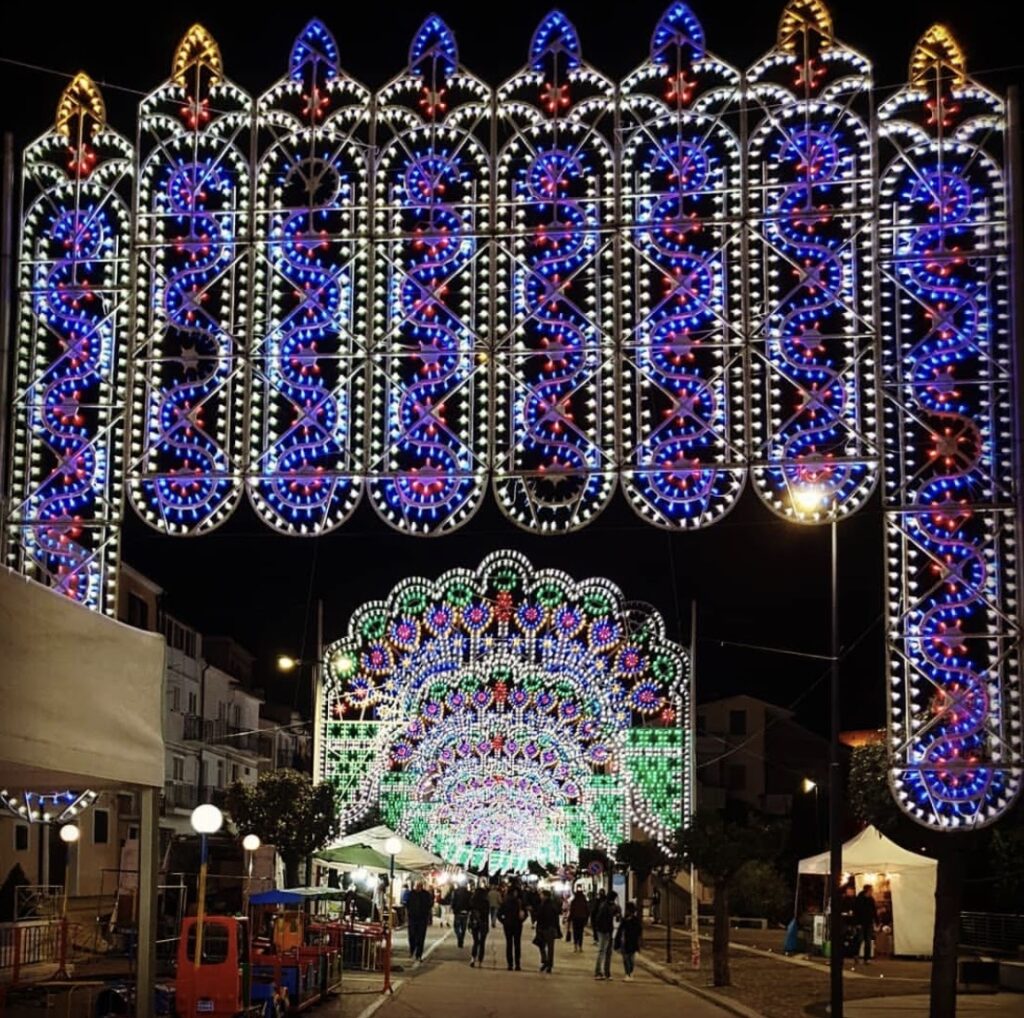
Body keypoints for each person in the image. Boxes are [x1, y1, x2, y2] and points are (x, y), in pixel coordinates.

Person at [497, 883, 525, 970]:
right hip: (517, 925)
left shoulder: (505, 901)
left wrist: (504, 921)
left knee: (509, 944)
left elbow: (499, 914)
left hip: (508, 925)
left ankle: (510, 964)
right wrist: (521, 920)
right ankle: (517, 964)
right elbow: (525, 914)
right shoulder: (519, 902)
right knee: (517, 944)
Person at [593, 890, 620, 979]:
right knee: (603, 951)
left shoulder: (607, 906)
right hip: (605, 931)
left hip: (608, 931)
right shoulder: (606, 906)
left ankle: (606, 972)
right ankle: (599, 972)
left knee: (607, 952)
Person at [534, 888, 561, 973]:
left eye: (541, 895)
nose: (540, 896)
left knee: (542, 945)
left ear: (545, 896)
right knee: (549, 947)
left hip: (545, 928)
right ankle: (549, 964)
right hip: (550, 928)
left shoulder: (544, 905)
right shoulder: (552, 905)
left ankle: (546, 961)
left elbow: (539, 916)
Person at [614, 901, 642, 981]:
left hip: (631, 942)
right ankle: (628, 973)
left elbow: (639, 931)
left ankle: (630, 973)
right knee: (626, 959)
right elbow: (620, 931)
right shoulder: (625, 920)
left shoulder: (635, 921)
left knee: (631, 959)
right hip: (626, 942)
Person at [854, 884, 877, 964]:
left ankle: (866, 958)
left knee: (868, 940)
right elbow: (856, 912)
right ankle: (856, 954)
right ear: (867, 891)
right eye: (871, 890)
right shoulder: (859, 899)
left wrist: (875, 921)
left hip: (868, 922)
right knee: (860, 939)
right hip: (861, 922)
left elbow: (874, 911)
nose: (872, 892)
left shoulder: (871, 900)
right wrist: (857, 923)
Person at [469, 884, 490, 967]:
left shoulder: (472, 901)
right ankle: (480, 961)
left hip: (475, 923)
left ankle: (473, 958)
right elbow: (487, 913)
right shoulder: (486, 902)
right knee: (482, 943)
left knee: (475, 941)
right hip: (484, 923)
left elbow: (471, 912)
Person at [568, 886, 590, 952]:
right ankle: (580, 946)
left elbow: (572, 911)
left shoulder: (574, 901)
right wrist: (586, 919)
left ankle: (575, 946)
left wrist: (569, 919)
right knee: (580, 933)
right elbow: (587, 911)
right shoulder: (584, 901)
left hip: (575, 919)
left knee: (575, 932)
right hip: (582, 919)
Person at [451, 880, 471, 948]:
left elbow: (453, 901)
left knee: (456, 927)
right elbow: (470, 902)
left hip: (457, 911)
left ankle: (459, 937)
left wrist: (453, 908)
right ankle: (461, 938)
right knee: (463, 927)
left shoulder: (455, 892)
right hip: (465, 912)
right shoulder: (469, 893)